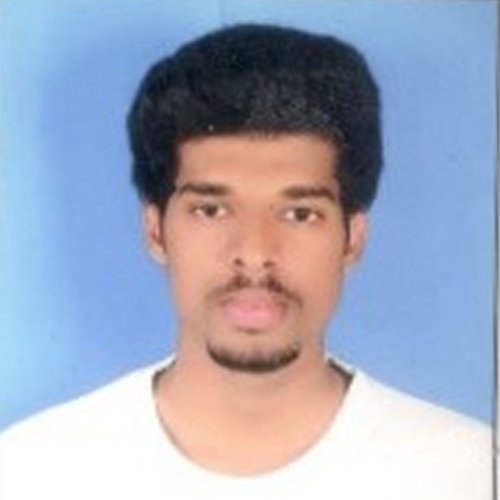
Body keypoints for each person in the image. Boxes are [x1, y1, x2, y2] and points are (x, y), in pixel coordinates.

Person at [0, 23, 491, 499]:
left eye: (300, 214)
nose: (255, 253)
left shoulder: (468, 474)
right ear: (156, 231)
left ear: (352, 239)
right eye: (211, 210)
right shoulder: (31, 471)